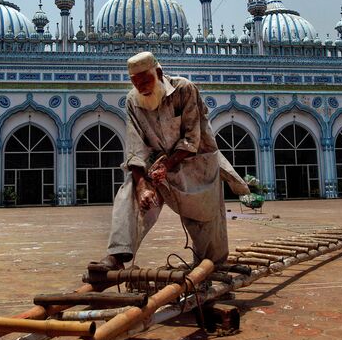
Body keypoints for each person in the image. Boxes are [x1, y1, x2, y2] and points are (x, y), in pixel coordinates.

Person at [91, 51, 250, 271]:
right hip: (157, 165)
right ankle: (116, 256)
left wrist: (168, 164)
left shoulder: (184, 89)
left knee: (205, 220)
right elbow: (136, 148)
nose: (142, 87)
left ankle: (213, 265)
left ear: (159, 72)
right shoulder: (132, 101)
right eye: (136, 83)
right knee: (130, 195)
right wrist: (142, 187)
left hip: (194, 162)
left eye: (146, 80)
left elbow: (192, 138)